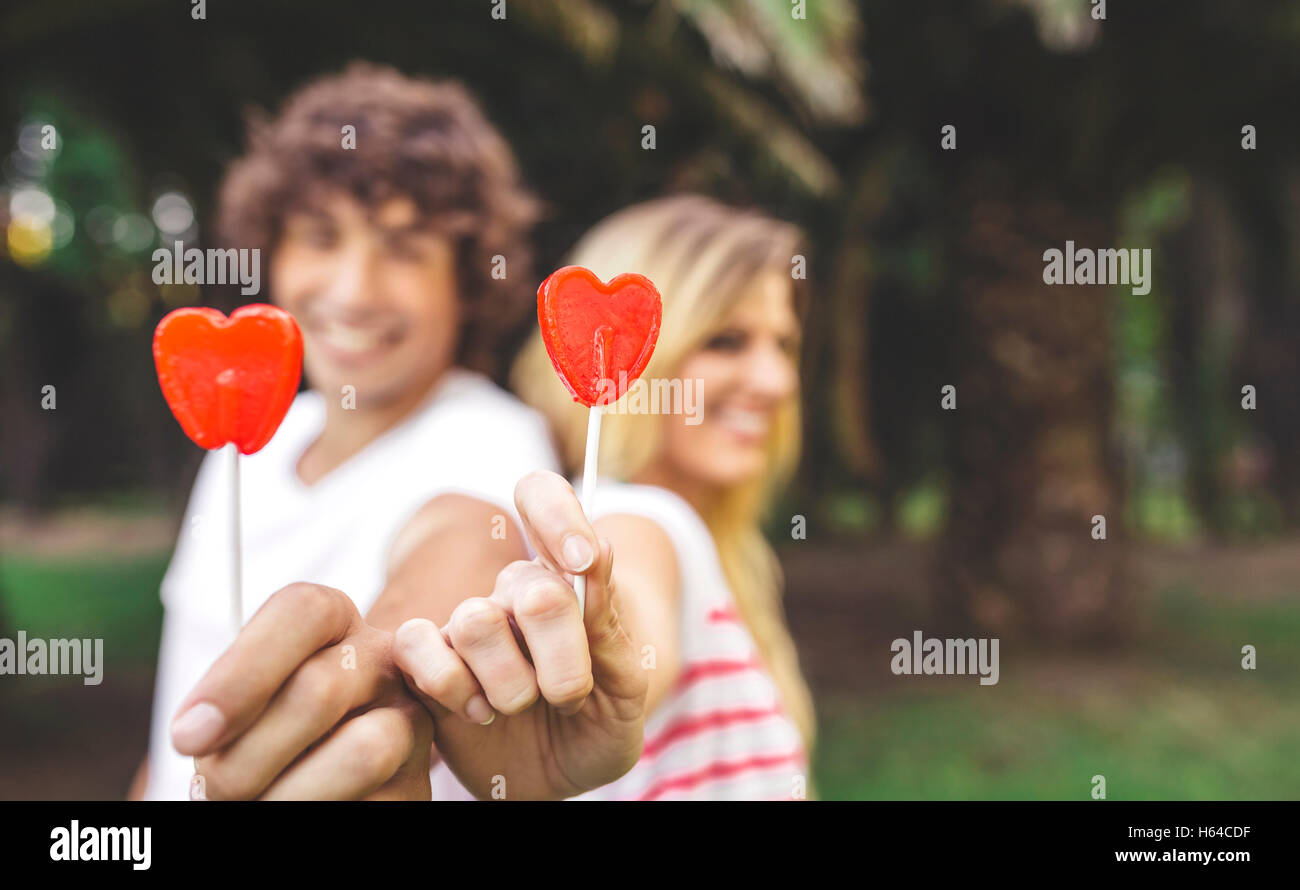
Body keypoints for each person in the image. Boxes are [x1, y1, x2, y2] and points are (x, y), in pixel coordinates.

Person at [135, 63, 645, 801]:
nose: (353, 290)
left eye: (404, 248)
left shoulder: (488, 439)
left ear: (464, 280)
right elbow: (181, 704)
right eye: (319, 236)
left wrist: (374, 679)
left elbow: (463, 542)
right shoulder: (255, 440)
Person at [401, 195, 817, 800]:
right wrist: (590, 653)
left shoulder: (725, 547)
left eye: (783, 344)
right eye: (726, 341)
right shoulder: (644, 522)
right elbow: (635, 627)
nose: (776, 379)